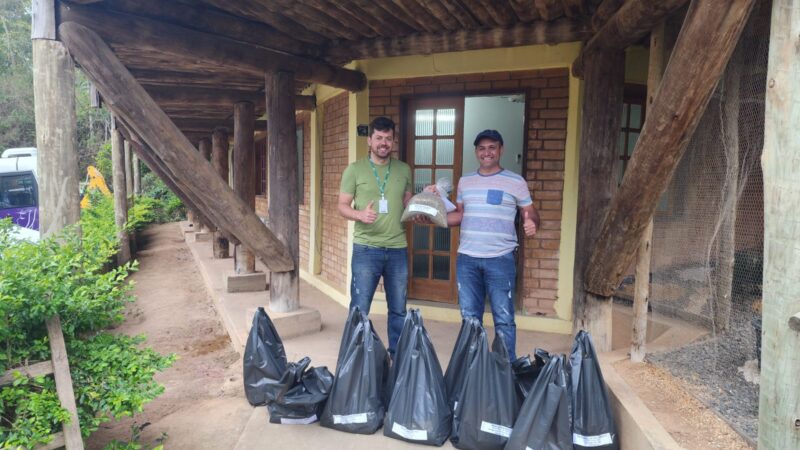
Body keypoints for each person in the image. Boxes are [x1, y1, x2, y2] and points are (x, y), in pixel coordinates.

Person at [431, 129, 539, 361]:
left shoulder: (515, 181)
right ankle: (473, 368)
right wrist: (431, 215)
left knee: (503, 318)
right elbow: (459, 216)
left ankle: (505, 369)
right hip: (467, 259)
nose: (486, 152)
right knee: (470, 318)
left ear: (501, 149)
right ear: (476, 152)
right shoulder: (465, 181)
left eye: (492, 147)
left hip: (501, 258)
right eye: (482, 148)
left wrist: (531, 222)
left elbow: (530, 213)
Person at [338, 116, 413, 355]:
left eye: (388, 138)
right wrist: (359, 215)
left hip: (397, 248)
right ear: (369, 140)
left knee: (399, 309)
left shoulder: (403, 169)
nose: (384, 143)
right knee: (360, 308)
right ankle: (354, 358)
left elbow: (408, 203)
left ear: (393, 141)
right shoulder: (354, 170)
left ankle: (397, 359)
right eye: (379, 138)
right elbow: (341, 205)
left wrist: (427, 200)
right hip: (366, 249)